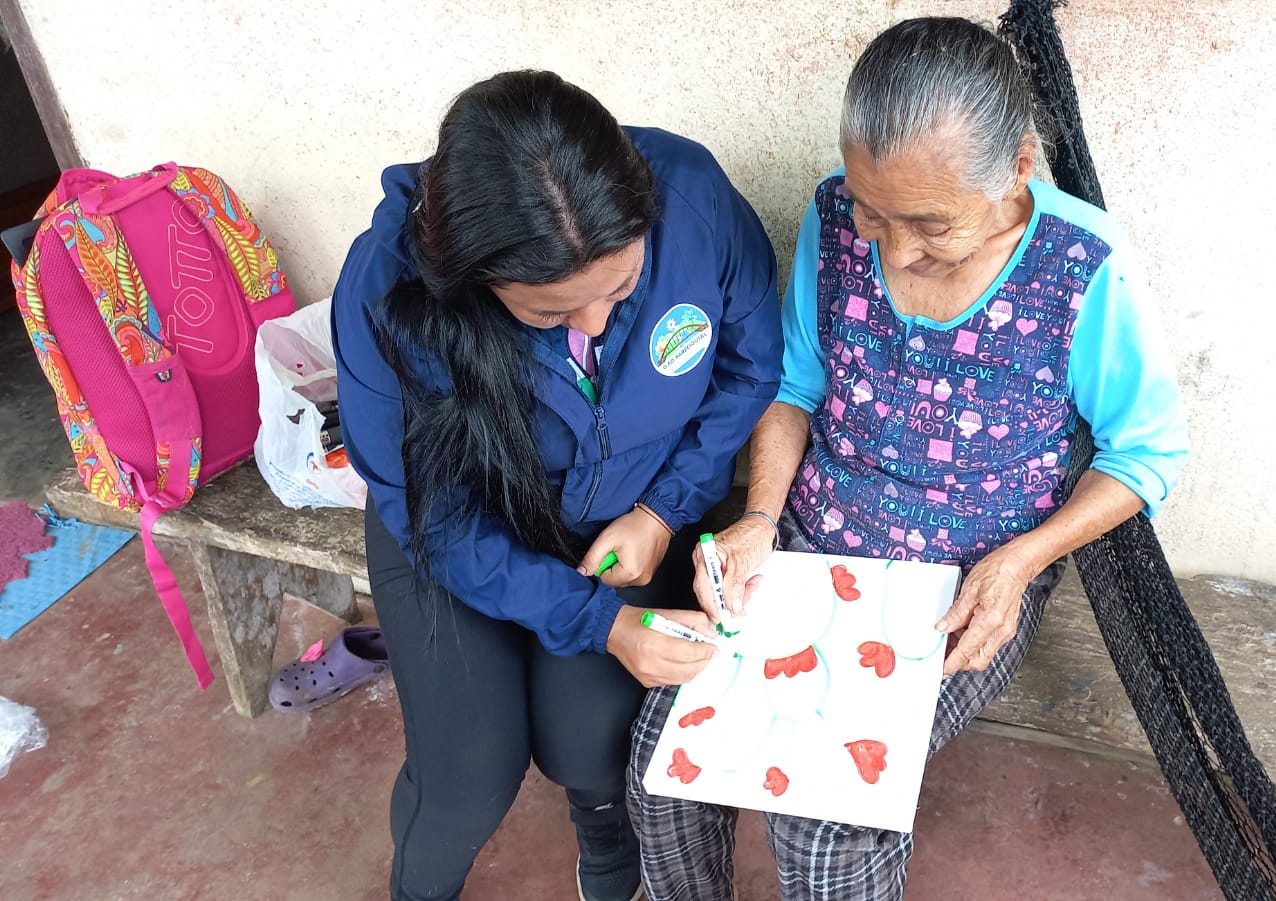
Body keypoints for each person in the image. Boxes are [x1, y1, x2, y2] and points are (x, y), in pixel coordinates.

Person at [627, 18, 1189, 900]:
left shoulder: (1084, 264)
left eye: (931, 223)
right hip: (809, 546)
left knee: (826, 819)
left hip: (964, 579)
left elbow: (1145, 453)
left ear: (1019, 167)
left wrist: (1020, 562)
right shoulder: (832, 215)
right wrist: (760, 518)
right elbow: (795, 385)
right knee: (663, 762)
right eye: (873, 211)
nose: (893, 249)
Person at [331, 70, 781, 901]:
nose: (597, 324)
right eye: (548, 313)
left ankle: (603, 828)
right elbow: (439, 520)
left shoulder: (694, 199)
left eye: (622, 288)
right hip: (458, 528)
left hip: (630, 507)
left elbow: (749, 369)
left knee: (589, 736)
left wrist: (662, 508)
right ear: (471, 279)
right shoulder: (387, 293)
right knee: (468, 773)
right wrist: (599, 622)